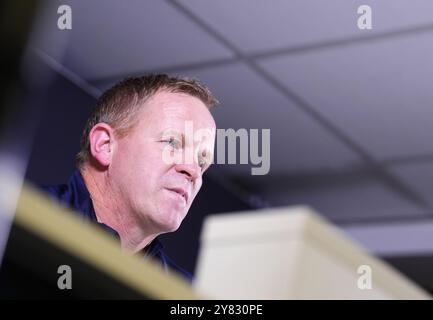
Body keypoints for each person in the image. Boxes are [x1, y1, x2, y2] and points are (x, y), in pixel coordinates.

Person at [43, 74, 218, 281]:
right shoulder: (13, 220)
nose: (194, 171)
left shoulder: (186, 295)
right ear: (105, 146)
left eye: (201, 160)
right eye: (172, 143)